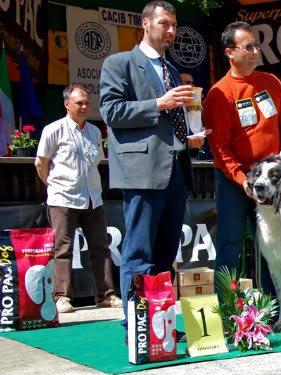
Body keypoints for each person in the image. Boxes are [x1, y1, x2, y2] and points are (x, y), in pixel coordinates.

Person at [99, 0, 204, 343]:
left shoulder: (171, 70)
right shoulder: (120, 63)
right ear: (145, 24)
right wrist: (158, 104)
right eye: (164, 23)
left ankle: (159, 321)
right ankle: (135, 323)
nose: (170, 30)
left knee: (165, 253)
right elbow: (111, 111)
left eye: (174, 24)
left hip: (176, 169)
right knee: (138, 251)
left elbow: (170, 122)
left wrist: (190, 139)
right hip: (141, 171)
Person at [202, 21, 281, 294]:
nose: (256, 51)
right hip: (235, 183)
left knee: (272, 245)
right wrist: (242, 179)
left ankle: (275, 310)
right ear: (230, 53)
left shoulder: (271, 82)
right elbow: (218, 148)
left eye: (257, 45)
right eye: (249, 46)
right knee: (229, 247)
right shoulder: (219, 94)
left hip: (272, 181)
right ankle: (228, 313)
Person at [34, 85, 122, 313]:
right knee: (62, 249)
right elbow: (41, 163)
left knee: (101, 248)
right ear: (66, 104)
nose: (84, 106)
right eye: (78, 103)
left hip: (93, 198)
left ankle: (105, 295)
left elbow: (97, 163)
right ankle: (61, 297)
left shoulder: (94, 131)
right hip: (63, 197)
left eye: (86, 103)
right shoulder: (53, 130)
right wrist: (53, 186)